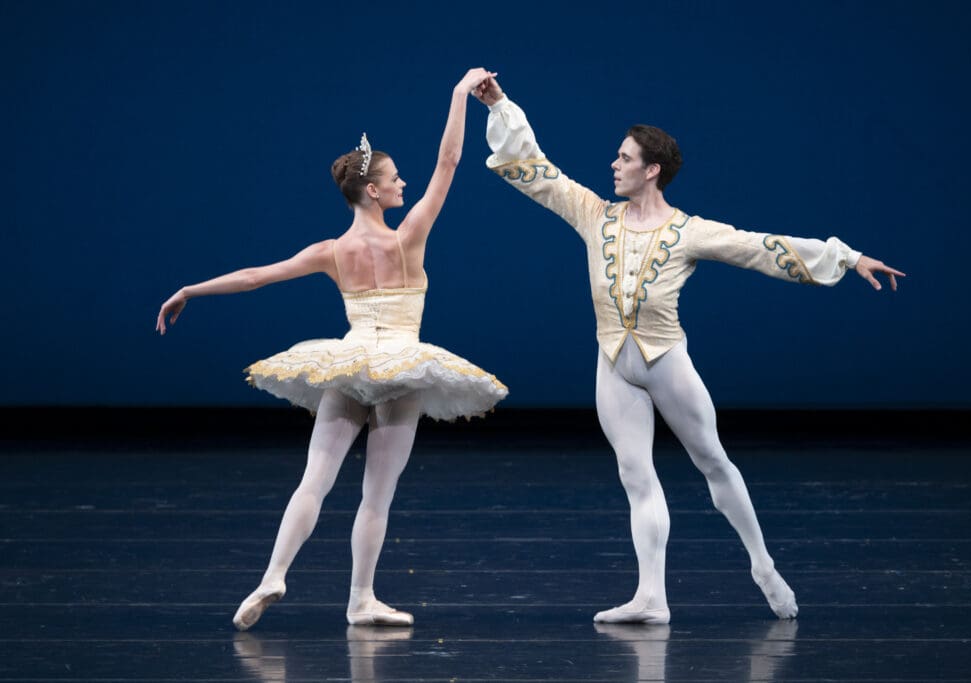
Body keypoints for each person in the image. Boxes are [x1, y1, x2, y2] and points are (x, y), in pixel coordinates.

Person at [472, 77, 904, 624]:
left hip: (665, 362)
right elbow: (537, 172)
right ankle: (652, 596)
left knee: (712, 461)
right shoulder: (595, 215)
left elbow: (762, 248)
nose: (614, 164)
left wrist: (847, 257)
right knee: (635, 475)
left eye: (624, 158)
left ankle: (762, 564)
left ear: (651, 170)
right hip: (614, 364)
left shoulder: (689, 232)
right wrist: (501, 106)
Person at [157, 68, 506, 629]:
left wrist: (189, 290)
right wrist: (460, 94)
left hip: (350, 363)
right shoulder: (408, 237)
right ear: (372, 189)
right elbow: (449, 163)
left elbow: (253, 277)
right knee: (377, 495)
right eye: (394, 179)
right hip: (402, 364)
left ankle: (275, 573)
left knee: (314, 479)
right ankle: (359, 596)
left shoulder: (331, 250)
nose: (403, 184)